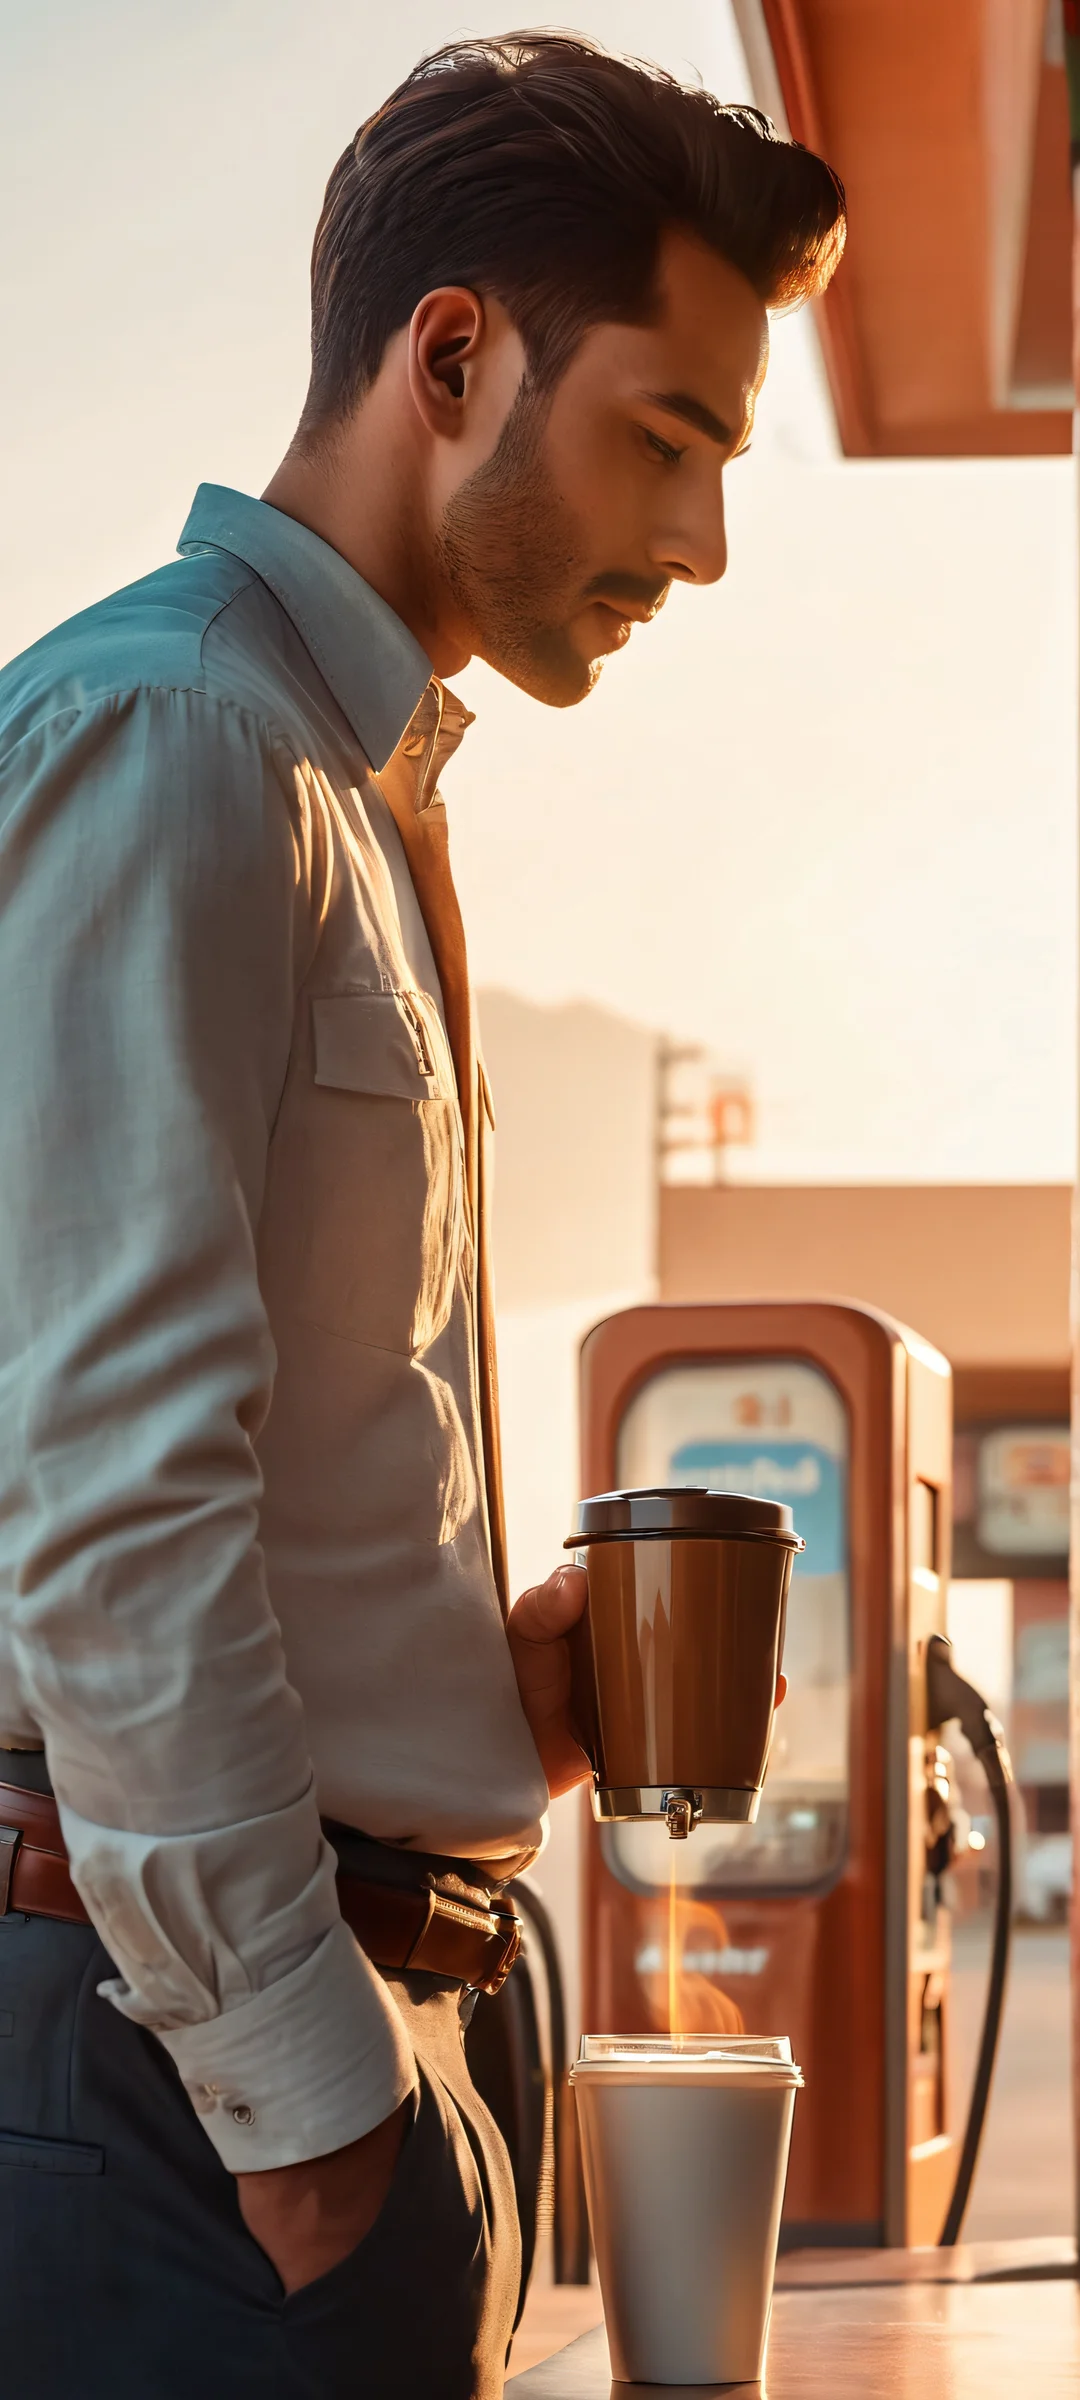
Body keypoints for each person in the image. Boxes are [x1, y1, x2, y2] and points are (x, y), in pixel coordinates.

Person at [0, 30, 842, 2399]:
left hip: (340, 2042)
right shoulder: (178, 744)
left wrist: (494, 1702)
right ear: (452, 355)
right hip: (203, 2096)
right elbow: (108, 1504)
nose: (697, 544)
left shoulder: (343, 786)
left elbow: (241, 1477)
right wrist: (316, 2149)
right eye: (663, 440)